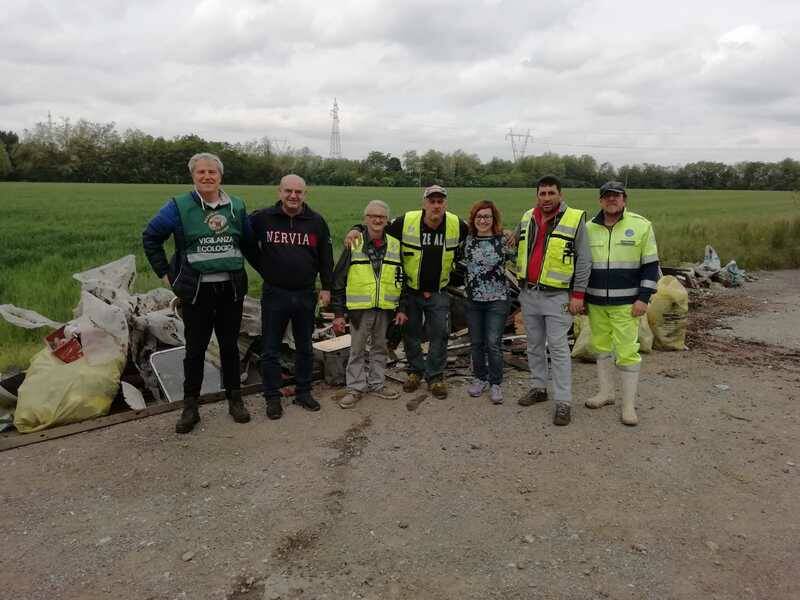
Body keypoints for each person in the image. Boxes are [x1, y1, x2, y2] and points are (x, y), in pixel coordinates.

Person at [142, 152, 257, 434]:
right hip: (196, 292)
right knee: (195, 349)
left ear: (220, 176)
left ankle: (235, 398)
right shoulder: (178, 206)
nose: (207, 177)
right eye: (201, 172)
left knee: (230, 347)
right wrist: (165, 273)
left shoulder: (237, 206)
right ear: (193, 176)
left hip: (230, 289)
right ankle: (190, 406)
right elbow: (151, 236)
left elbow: (250, 243)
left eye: (212, 172)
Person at [344, 185, 468, 399]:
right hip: (411, 290)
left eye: (440, 201)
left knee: (440, 333)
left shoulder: (457, 224)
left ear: (445, 204)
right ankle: (415, 371)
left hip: (438, 291)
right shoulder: (406, 221)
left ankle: (435, 376)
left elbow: (481, 227)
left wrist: (503, 231)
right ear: (424, 203)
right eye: (432, 201)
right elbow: (377, 225)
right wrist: (356, 228)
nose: (436, 205)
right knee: (411, 333)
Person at [249, 174, 334, 420]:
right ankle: (272, 397)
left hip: (306, 293)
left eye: (299, 192)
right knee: (271, 349)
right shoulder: (263, 218)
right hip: (275, 293)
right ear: (280, 192)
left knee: (305, 347)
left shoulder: (316, 221)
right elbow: (245, 242)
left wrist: (326, 287)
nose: (293, 196)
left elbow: (326, 257)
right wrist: (263, 266)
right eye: (289, 191)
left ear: (305, 194)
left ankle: (304, 391)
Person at [512, 175, 590, 426]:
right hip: (529, 293)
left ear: (560, 194)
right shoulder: (527, 217)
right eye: (542, 193)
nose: (546, 198)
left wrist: (578, 295)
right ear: (537, 195)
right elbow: (516, 243)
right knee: (533, 345)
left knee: (557, 349)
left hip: (558, 296)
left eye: (551, 193)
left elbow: (584, 260)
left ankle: (564, 402)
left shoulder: (574, 219)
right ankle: (538, 387)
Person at [584, 181, 659, 426]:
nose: (611, 200)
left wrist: (643, 298)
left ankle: (628, 406)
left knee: (627, 352)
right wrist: (581, 297)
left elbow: (650, 266)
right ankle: (606, 393)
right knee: (601, 347)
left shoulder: (641, 226)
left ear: (625, 199)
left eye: (616, 196)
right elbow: (582, 267)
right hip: (596, 302)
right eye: (606, 196)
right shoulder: (587, 228)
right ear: (600, 201)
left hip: (627, 304)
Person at [331, 200, 407, 409]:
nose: (377, 220)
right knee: (356, 350)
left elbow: (402, 278)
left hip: (385, 308)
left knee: (380, 348)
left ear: (386, 221)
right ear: (365, 219)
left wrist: (401, 308)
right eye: (373, 216)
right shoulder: (354, 243)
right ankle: (355, 388)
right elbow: (339, 279)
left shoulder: (394, 244)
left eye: (381, 217)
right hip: (359, 310)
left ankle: (377, 384)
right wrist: (338, 313)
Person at [463, 200, 510, 404]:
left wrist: (511, 234)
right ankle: (480, 378)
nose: (483, 220)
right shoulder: (467, 241)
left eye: (487, 216)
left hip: (497, 300)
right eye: (479, 216)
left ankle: (495, 382)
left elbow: (519, 259)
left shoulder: (503, 241)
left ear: (494, 219)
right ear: (474, 219)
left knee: (493, 343)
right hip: (473, 300)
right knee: (476, 343)